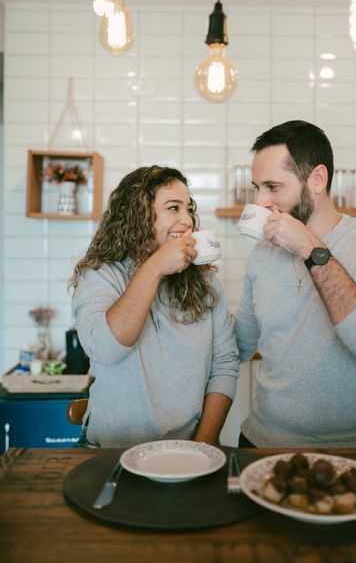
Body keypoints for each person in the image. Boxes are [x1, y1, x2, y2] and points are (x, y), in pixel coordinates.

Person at [234, 120, 356, 448]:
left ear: (317, 179)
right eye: (257, 187)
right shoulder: (262, 254)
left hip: (349, 454)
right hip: (258, 443)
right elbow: (240, 346)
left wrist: (310, 248)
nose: (260, 201)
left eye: (273, 187)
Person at [70, 165, 239, 448]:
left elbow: (224, 365)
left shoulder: (207, 282)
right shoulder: (101, 275)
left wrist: (203, 446)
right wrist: (155, 267)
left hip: (190, 449)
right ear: (137, 215)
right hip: (109, 452)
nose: (187, 220)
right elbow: (106, 348)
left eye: (188, 208)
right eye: (174, 208)